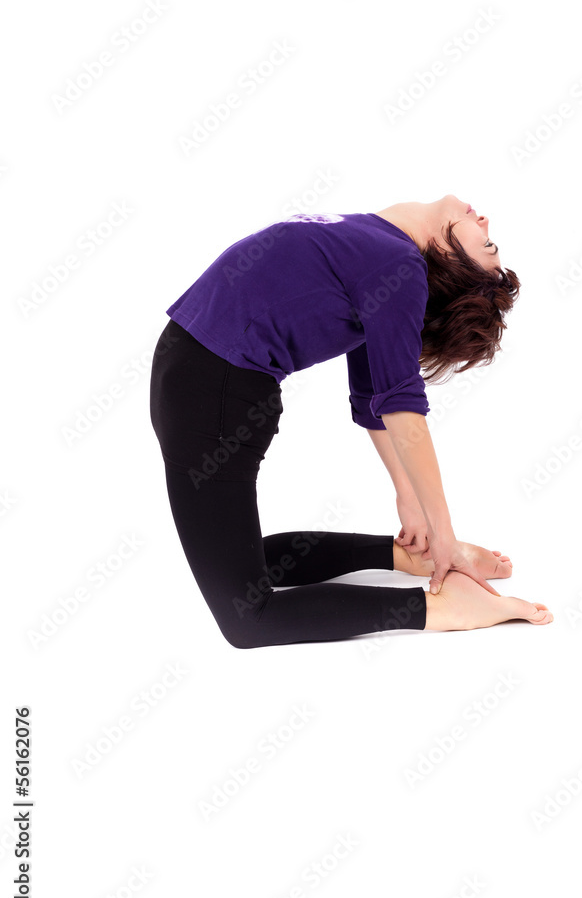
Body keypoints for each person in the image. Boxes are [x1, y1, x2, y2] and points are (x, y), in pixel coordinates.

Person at [149, 194, 553, 649]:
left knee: (249, 617)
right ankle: (403, 557)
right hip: (200, 381)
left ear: (452, 259)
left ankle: (441, 607)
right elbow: (369, 398)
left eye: (488, 243)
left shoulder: (397, 266)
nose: (483, 219)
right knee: (242, 565)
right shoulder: (380, 243)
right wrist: (411, 502)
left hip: (213, 393)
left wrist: (444, 536)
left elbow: (399, 404)